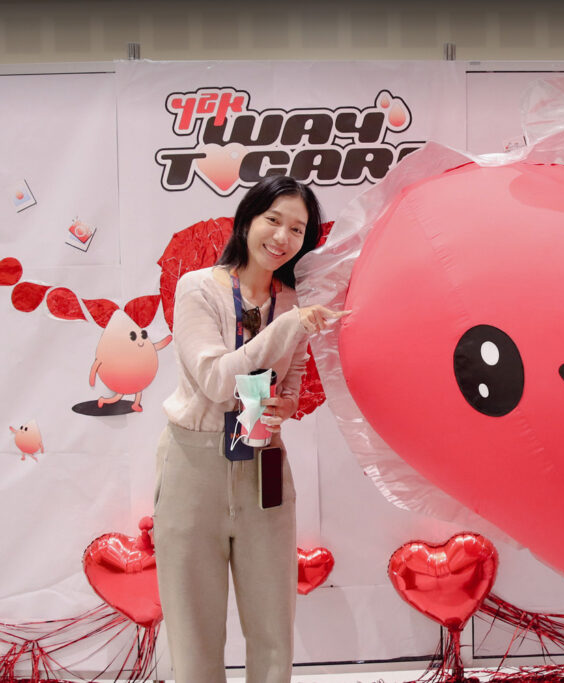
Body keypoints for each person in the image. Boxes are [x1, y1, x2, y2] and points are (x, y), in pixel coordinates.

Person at [153, 175, 344, 683]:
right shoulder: (198, 288)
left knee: (273, 626)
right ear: (247, 220)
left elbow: (293, 377)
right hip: (194, 466)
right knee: (194, 632)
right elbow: (217, 380)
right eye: (273, 220)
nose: (282, 237)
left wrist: (283, 404)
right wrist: (288, 325)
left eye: (297, 229)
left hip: (265, 463)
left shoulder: (292, 301)